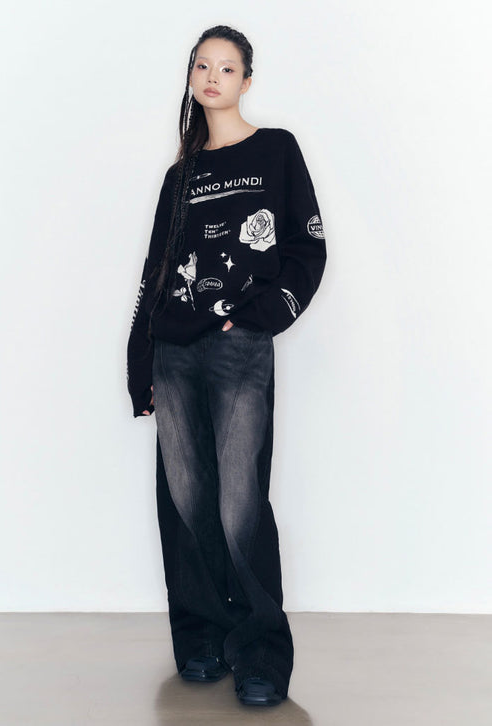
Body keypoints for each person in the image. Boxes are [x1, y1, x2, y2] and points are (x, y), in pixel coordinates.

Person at [126, 24, 327, 707]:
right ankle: (202, 637)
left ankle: (260, 651)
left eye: (227, 67)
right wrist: (140, 364)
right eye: (202, 66)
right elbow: (155, 274)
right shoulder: (179, 177)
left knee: (239, 500)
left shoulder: (276, 150)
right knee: (185, 499)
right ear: (191, 77)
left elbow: (306, 248)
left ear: (246, 80)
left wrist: (264, 314)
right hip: (174, 350)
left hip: (239, 345)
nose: (213, 77)